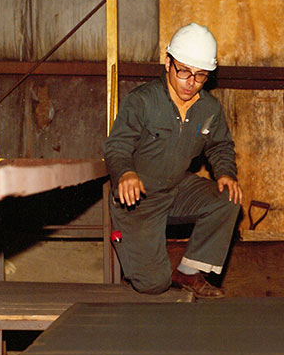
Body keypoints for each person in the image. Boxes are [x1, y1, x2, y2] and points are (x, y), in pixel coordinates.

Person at [104, 23, 242, 298]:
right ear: (168, 62)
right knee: (154, 284)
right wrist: (125, 173)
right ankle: (140, 256)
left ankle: (189, 272)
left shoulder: (209, 108)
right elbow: (116, 146)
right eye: (184, 72)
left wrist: (226, 172)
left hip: (177, 189)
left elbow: (220, 145)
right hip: (138, 199)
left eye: (200, 76)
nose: (191, 82)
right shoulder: (142, 101)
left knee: (228, 198)